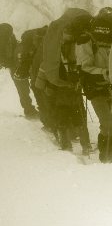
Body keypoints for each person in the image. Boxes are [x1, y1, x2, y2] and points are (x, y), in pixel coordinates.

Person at [75, 7, 112, 163]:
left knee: (111, 120)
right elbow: (85, 67)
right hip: (95, 87)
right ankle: (105, 157)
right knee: (107, 124)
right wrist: (106, 72)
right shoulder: (86, 39)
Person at [40, 8, 92, 152]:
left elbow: (48, 55)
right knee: (78, 110)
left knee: (62, 110)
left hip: (58, 76)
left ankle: (66, 142)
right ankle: (85, 144)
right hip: (73, 76)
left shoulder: (55, 28)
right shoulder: (80, 31)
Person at [0, 23, 39, 119]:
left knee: (23, 89)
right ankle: (29, 110)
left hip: (16, 65)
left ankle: (29, 109)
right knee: (23, 89)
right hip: (16, 65)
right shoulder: (5, 39)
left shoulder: (7, 37)